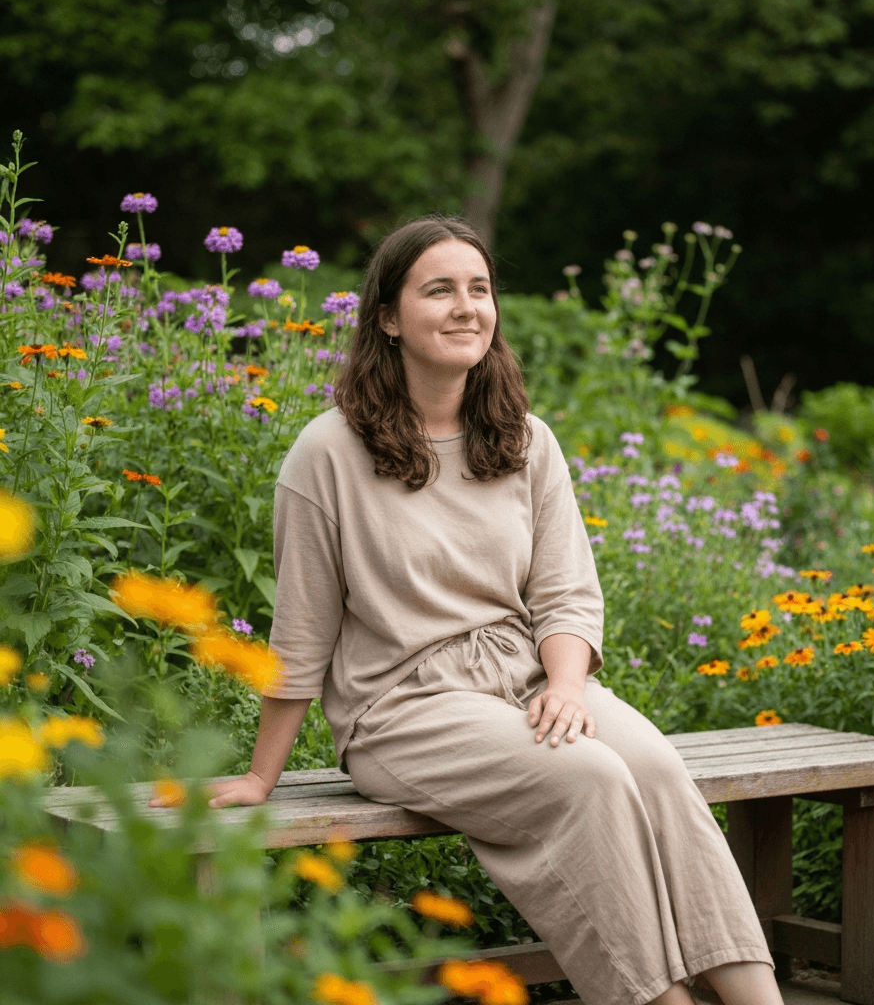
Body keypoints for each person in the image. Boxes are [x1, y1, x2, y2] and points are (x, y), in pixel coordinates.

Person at [151, 216, 785, 1005]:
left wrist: (565, 686)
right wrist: (258, 774)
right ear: (388, 317)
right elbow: (303, 629)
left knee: (654, 768)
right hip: (404, 707)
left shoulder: (524, 439)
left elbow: (565, 593)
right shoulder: (327, 454)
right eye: (439, 290)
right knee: (587, 776)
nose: (466, 307)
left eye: (479, 289)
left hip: (526, 681)